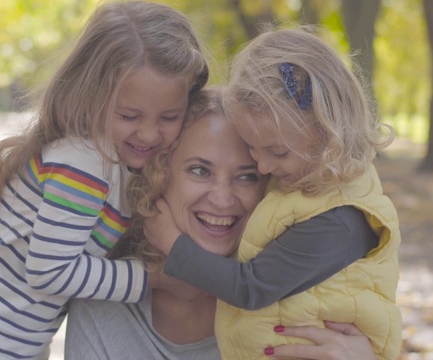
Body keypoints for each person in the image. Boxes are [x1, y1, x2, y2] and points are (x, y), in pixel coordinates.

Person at [0, 2, 208, 359]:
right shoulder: (85, 163)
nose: (149, 133)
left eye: (169, 116)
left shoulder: (118, 166)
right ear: (93, 96)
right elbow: (50, 272)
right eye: (129, 115)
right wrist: (154, 278)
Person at [64, 88, 377, 360]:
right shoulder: (104, 304)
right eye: (200, 171)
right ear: (159, 175)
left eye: (247, 177)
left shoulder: (300, 305)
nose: (223, 199)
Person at [146, 28, 402, 360]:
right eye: (253, 150)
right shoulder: (306, 178)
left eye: (277, 153)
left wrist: (170, 240)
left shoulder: (341, 219)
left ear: (329, 133)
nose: (264, 167)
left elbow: (251, 287)